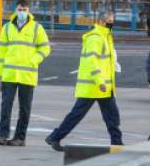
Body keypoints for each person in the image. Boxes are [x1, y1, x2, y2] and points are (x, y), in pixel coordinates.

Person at [45, 13, 123, 150]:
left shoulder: (105, 36)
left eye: (112, 21)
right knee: (77, 115)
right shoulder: (95, 38)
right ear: (101, 22)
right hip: (94, 86)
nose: (111, 24)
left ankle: (117, 142)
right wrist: (100, 81)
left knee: (112, 115)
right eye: (109, 21)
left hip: (103, 86)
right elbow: (91, 62)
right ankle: (54, 137)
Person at [0, 0, 51, 146]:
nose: (22, 12)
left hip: (27, 75)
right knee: (6, 106)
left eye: (24, 10)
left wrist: (34, 60)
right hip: (9, 74)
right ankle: (2, 135)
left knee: (24, 108)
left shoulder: (37, 28)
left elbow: (45, 48)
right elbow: (1, 53)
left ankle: (20, 137)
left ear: (29, 11)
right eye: (20, 9)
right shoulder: (7, 28)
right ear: (15, 10)